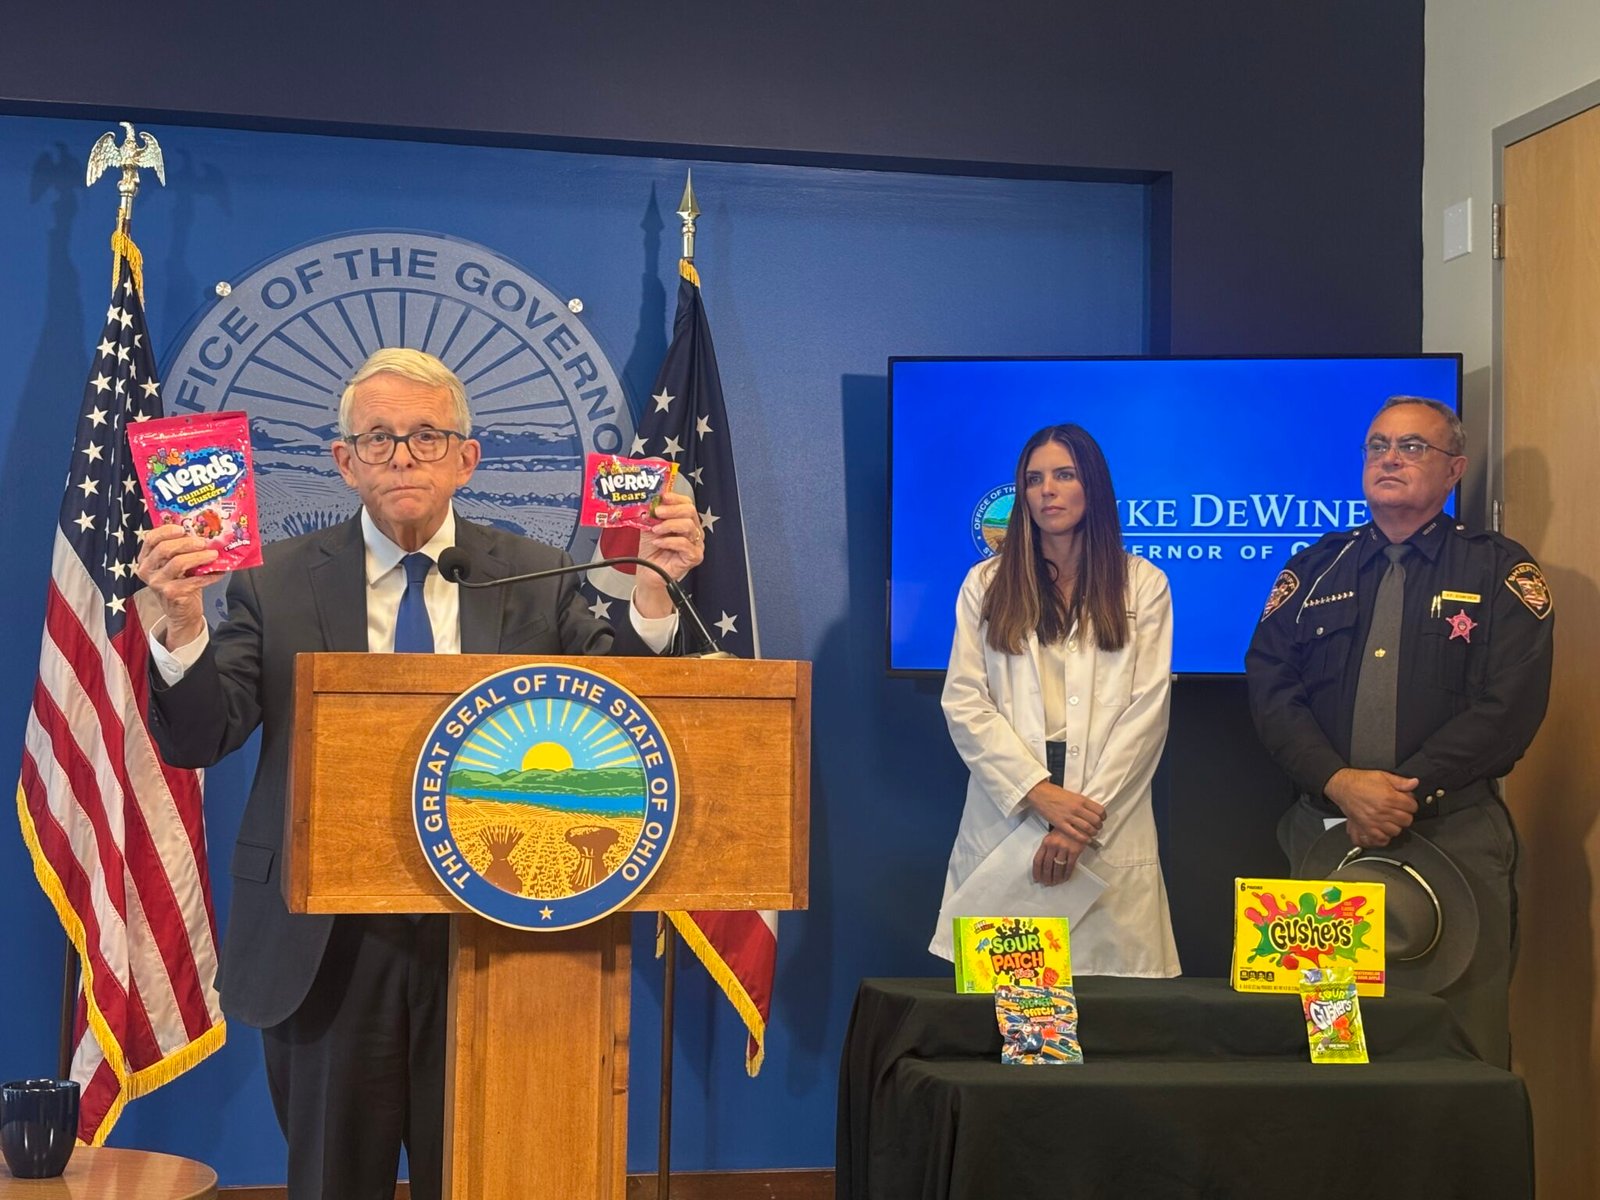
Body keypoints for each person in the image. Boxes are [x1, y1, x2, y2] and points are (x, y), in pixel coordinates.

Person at [134, 348, 704, 1200]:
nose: (402, 456)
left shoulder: (536, 577)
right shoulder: (274, 582)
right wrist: (181, 623)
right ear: (345, 462)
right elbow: (201, 736)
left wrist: (654, 595)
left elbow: (617, 719)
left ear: (466, 458)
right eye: (378, 438)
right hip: (325, 943)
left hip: (498, 932)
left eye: (427, 437)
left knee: (484, 1180)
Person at [1245, 395, 1553, 1067]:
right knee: (1329, 1049)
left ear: (1455, 470)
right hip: (1327, 839)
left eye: (1412, 447)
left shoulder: (1500, 571)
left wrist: (1397, 792)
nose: (1390, 458)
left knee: (1462, 1050)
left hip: (1455, 840)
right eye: (1378, 446)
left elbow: (1511, 707)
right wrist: (1340, 782)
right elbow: (1271, 688)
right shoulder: (1313, 569)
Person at [930, 424, 1180, 977]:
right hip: (1015, 801)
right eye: (1034, 479)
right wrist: (1038, 794)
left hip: (1104, 806)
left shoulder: (1143, 584)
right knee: (1009, 999)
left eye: (1064, 475)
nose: (1047, 490)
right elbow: (965, 701)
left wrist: (1077, 823)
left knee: (1112, 1002)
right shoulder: (985, 583)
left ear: (1093, 485)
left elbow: (1146, 712)